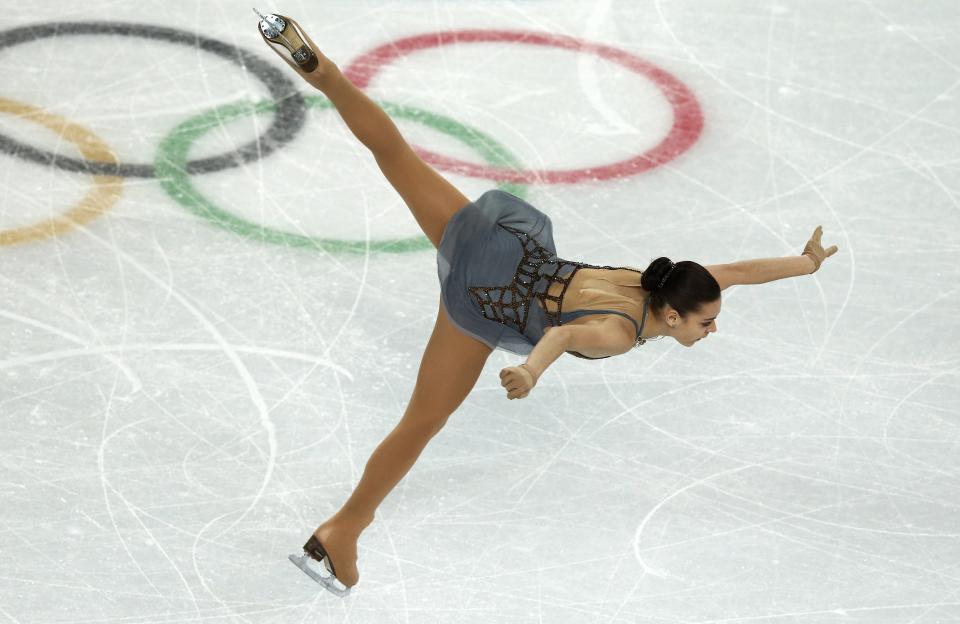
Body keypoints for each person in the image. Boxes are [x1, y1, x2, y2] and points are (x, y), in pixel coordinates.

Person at [260, 18, 839, 597]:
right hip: (487, 300)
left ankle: (326, 73)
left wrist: (804, 264)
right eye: (705, 321)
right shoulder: (620, 331)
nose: (713, 327)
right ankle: (344, 529)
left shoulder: (661, 283)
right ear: (671, 317)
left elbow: (735, 274)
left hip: (501, 242)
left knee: (395, 154)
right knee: (422, 423)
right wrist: (529, 371)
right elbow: (562, 338)